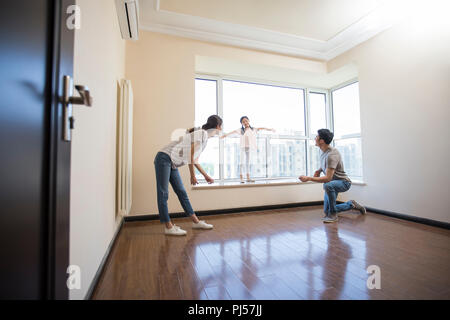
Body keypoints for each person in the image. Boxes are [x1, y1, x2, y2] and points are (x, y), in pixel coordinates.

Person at [154, 115, 223, 235]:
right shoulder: (202, 134)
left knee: (181, 192)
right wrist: (192, 175)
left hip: (172, 163)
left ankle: (196, 222)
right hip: (164, 158)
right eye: (221, 126)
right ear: (218, 126)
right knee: (163, 193)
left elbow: (195, 159)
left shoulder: (203, 137)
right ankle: (168, 227)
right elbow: (190, 155)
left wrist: (205, 175)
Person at [299, 128, 366, 223]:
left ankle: (333, 216)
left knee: (327, 184)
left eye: (316, 136)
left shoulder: (332, 154)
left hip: (343, 182)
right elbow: (327, 165)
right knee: (327, 210)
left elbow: (328, 178)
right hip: (333, 182)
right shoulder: (322, 151)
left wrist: (309, 178)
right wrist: (319, 170)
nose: (315, 138)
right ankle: (351, 204)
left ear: (321, 140)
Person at [221, 116, 274, 183]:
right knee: (241, 162)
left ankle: (248, 177)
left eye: (246, 121)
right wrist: (224, 136)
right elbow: (232, 132)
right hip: (243, 147)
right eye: (243, 122)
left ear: (249, 121)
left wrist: (270, 129)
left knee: (248, 162)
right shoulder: (241, 130)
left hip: (249, 148)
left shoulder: (253, 129)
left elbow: (262, 128)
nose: (245, 122)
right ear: (242, 123)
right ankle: (241, 177)